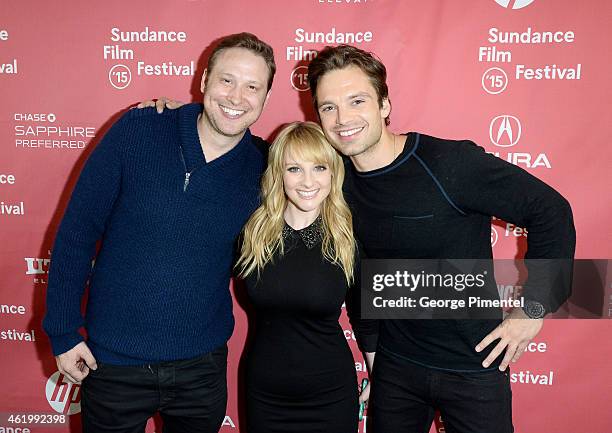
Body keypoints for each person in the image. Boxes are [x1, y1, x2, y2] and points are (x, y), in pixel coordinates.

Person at [307, 45, 576, 433]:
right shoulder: (340, 182)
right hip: (396, 368)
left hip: (475, 367)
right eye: (328, 106)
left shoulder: (448, 165)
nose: (342, 118)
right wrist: (371, 348)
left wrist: (533, 309)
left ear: (384, 105)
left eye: (357, 100)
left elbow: (551, 211)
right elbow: (362, 269)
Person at [43, 32, 275, 433]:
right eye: (227, 80)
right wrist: (63, 331)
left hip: (200, 371)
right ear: (203, 81)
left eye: (252, 86)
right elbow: (77, 232)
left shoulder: (265, 168)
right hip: (112, 363)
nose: (237, 97)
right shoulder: (139, 129)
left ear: (266, 98)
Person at [235, 121, 377, 433]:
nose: (308, 181)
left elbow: (365, 317)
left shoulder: (347, 238)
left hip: (330, 396)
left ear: (333, 172)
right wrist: (186, 113)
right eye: (294, 169)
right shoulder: (252, 234)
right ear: (278, 175)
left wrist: (377, 374)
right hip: (265, 396)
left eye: (319, 167)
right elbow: (226, 133)